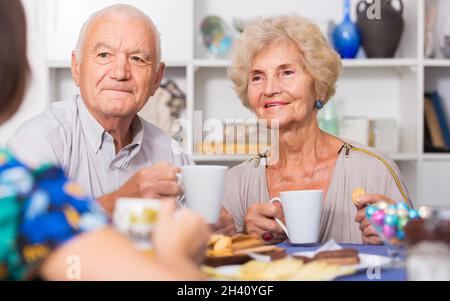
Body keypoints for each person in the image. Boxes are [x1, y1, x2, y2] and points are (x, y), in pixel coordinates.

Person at [0, 0, 210, 281]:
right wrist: (124, 200)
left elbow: (201, 236)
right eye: (104, 55)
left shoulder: (170, 150)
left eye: (137, 58)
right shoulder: (34, 152)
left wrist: (212, 225)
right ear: (76, 68)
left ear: (157, 78)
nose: (120, 72)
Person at [223, 15, 413, 245]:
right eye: (257, 77)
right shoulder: (236, 183)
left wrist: (399, 238)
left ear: (319, 87)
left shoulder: (374, 170)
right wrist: (245, 239)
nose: (270, 88)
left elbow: (421, 259)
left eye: (287, 72)